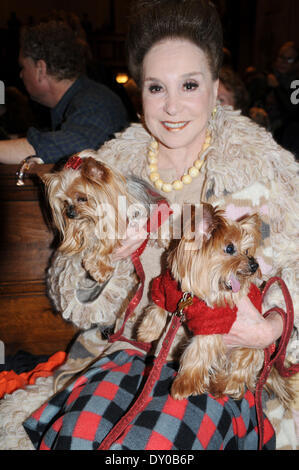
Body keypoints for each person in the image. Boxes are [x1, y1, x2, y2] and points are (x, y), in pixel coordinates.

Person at [0, 0, 298, 451]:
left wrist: (270, 329)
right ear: (139, 94)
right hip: (129, 349)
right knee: (77, 436)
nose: (172, 106)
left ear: (215, 88)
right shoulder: (112, 168)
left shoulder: (264, 168)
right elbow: (73, 296)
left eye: (190, 85)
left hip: (217, 359)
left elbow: (295, 267)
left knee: (153, 444)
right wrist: (97, 260)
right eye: (157, 88)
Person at [0, 19, 128, 164]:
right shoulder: (81, 100)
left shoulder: (96, 102)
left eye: (23, 66)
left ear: (40, 69)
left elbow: (63, 149)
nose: (21, 74)